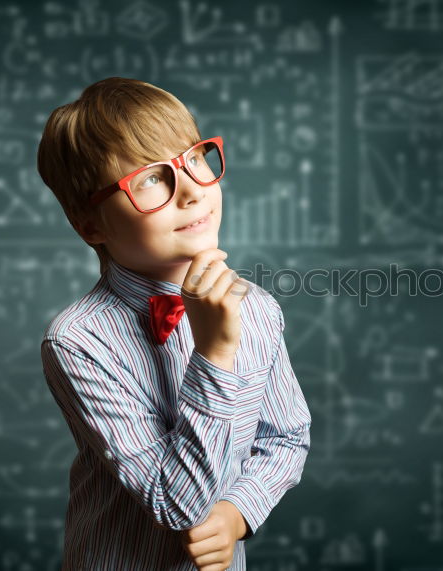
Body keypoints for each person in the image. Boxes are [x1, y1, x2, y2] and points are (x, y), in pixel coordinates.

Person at [36, 76, 311, 570]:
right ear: (91, 226)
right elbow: (176, 504)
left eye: (194, 159)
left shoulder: (258, 308)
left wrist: (236, 512)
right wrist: (215, 353)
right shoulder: (77, 340)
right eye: (150, 179)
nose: (190, 191)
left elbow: (286, 437)